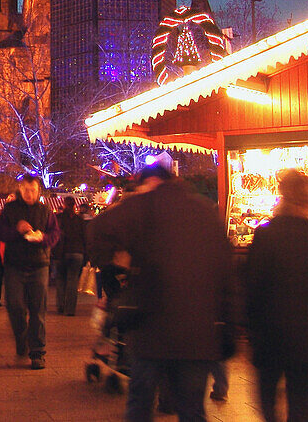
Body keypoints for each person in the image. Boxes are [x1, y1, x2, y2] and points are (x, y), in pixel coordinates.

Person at [88, 163, 234, 422]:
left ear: (151, 182)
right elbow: (226, 270)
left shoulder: (143, 205)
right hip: (197, 330)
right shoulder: (204, 211)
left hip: (149, 326)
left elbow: (96, 230)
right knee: (192, 409)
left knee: (140, 404)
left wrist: (122, 258)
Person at [245, 169, 308, 422]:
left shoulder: (266, 235)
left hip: (272, 334)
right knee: (304, 403)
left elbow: (253, 286)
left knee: (267, 396)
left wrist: (250, 328)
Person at [0, 176, 60, 369]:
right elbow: (1, 234)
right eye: (26, 190)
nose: (30, 194)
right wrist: (18, 230)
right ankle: (21, 337)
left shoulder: (45, 210)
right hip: (14, 265)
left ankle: (37, 352)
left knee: (38, 310)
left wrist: (43, 238)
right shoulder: (9, 210)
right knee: (14, 306)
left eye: (33, 190)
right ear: (20, 190)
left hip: (39, 264)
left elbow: (55, 234)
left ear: (38, 190)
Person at [55, 194, 86, 316]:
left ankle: (61, 305)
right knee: (73, 281)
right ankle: (70, 309)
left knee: (60, 279)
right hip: (77, 253)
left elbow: (55, 235)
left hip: (62, 253)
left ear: (64, 204)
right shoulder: (80, 220)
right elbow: (85, 237)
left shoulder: (59, 218)